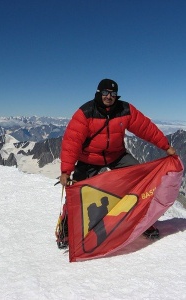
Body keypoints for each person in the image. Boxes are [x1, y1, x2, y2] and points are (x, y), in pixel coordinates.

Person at [59, 78, 176, 239]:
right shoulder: (86, 113)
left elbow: (146, 128)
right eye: (106, 93)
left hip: (117, 155)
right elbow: (71, 142)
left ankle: (141, 220)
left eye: (113, 93)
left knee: (139, 179)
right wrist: (66, 171)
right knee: (78, 192)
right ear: (99, 94)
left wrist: (166, 146)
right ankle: (67, 225)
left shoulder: (125, 109)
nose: (109, 96)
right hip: (90, 158)